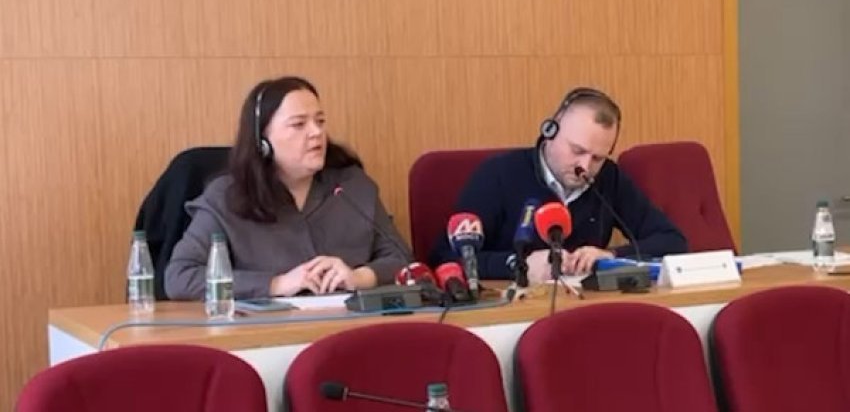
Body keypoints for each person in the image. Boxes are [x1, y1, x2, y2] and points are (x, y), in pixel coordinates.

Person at [165, 76, 410, 300]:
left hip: (349, 324)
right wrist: (276, 284)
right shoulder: (226, 197)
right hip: (266, 331)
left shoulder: (352, 186)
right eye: (299, 124)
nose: (316, 132)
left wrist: (358, 277)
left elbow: (403, 259)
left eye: (320, 121)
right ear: (263, 141)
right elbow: (180, 277)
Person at [429, 87, 687, 283]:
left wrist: (613, 256)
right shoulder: (498, 174)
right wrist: (518, 264)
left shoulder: (609, 178)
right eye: (577, 150)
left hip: (584, 308)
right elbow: (445, 257)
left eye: (597, 158)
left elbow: (672, 241)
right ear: (550, 131)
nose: (584, 166)